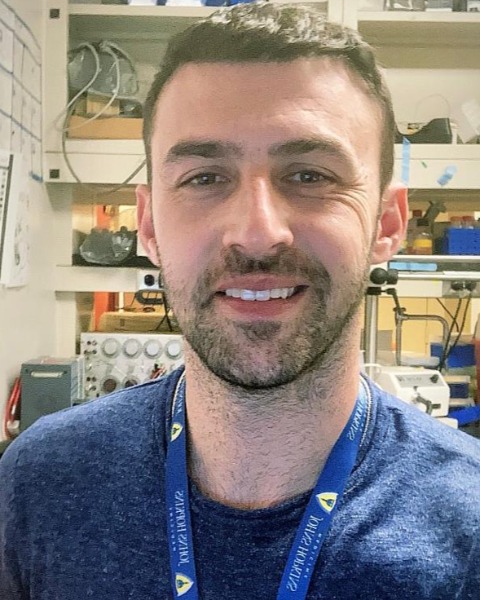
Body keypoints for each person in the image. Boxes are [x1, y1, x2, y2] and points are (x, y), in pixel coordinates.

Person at [1, 3, 479, 599]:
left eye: (310, 175)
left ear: (387, 223)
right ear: (148, 226)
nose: (256, 233)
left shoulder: (469, 520)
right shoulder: (41, 484)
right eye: (204, 178)